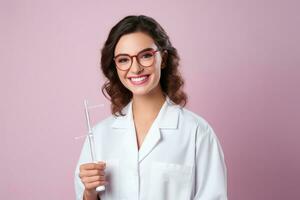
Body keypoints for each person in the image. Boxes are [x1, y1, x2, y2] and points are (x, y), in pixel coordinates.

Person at [74, 15, 228, 200]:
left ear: (163, 58)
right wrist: (89, 193)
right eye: (124, 60)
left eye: (146, 56)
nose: (136, 68)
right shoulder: (99, 136)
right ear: (115, 66)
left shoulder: (197, 132)